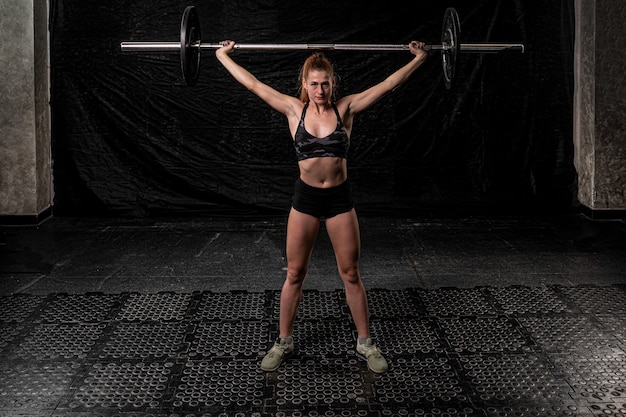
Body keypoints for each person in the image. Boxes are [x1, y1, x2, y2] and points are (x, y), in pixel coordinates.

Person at [215, 39, 428, 373]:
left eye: (325, 83)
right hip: (306, 200)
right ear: (304, 84)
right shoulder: (292, 110)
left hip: (340, 200)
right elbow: (252, 83)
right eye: (313, 84)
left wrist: (419, 58)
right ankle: (283, 341)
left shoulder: (345, 109)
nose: (320, 89)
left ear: (333, 83)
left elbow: (388, 84)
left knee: (351, 273)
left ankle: (365, 343)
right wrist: (220, 55)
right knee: (295, 273)